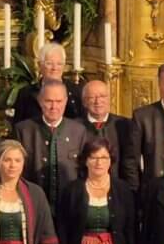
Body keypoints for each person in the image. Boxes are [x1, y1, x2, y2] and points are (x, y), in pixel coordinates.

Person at [57, 139, 136, 244]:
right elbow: (62, 232)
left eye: (104, 157)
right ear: (85, 161)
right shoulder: (72, 190)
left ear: (110, 161)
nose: (99, 162)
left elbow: (131, 231)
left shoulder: (122, 189)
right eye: (93, 157)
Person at [15, 79, 89, 217]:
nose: (54, 106)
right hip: (33, 205)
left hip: (69, 208)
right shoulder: (23, 130)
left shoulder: (79, 131)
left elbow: (84, 171)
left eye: (59, 101)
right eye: (49, 101)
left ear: (66, 101)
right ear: (40, 101)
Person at [80, 79, 140, 190]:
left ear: (109, 99)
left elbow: (131, 163)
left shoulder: (126, 125)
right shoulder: (75, 127)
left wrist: (131, 191)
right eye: (92, 97)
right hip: (85, 189)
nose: (98, 101)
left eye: (102, 96)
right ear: (84, 102)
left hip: (119, 190)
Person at [13, 42, 84, 124]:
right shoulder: (26, 93)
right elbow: (18, 126)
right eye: (49, 63)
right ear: (39, 65)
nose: (54, 68)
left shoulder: (76, 91)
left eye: (59, 64)